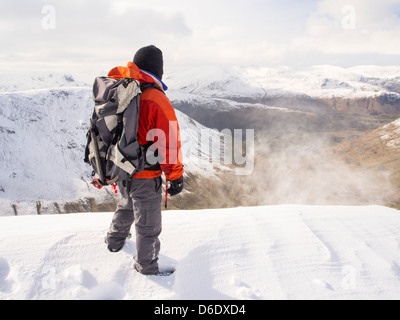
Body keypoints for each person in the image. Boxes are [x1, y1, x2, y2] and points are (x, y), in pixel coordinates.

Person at [105, 45, 184, 275]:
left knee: (127, 203)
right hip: (145, 175)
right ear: (158, 69)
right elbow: (168, 142)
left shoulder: (123, 89)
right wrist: (175, 176)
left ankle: (114, 241)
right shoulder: (155, 97)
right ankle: (147, 269)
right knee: (148, 225)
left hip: (122, 167)